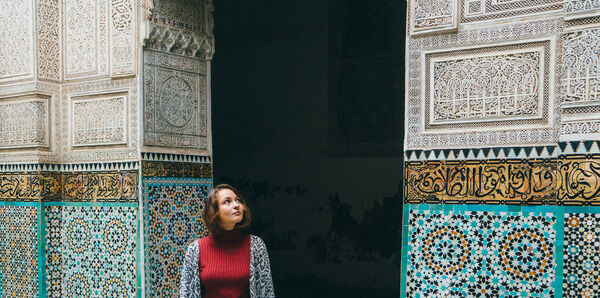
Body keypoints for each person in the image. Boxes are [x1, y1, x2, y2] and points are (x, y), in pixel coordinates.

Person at [180, 184, 275, 297]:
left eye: (238, 200)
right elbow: (186, 294)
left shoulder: (256, 245)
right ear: (214, 211)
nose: (236, 205)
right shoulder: (195, 249)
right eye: (227, 201)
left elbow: (266, 292)